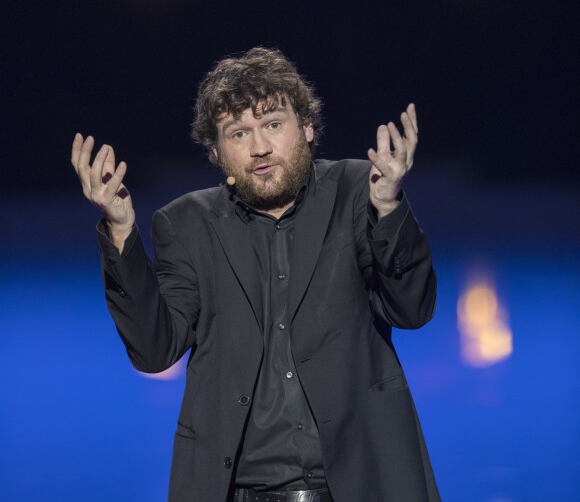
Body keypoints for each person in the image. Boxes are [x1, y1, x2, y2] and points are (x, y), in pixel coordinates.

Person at [71, 47, 440, 502]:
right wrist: (121, 230)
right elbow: (153, 350)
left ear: (306, 127)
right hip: (239, 491)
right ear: (216, 151)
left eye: (273, 124)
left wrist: (387, 208)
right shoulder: (186, 223)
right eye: (238, 133)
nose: (260, 147)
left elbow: (413, 309)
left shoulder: (357, 192)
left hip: (363, 482)